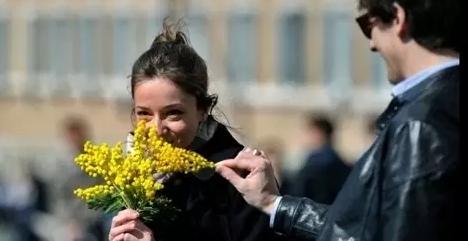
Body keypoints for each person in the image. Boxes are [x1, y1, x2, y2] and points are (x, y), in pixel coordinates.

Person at [216, 0, 461, 240]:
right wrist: (273, 203)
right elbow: (363, 230)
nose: (371, 44)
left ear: (398, 18)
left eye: (368, 24)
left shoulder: (419, 124)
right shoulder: (436, 105)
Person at [108, 20, 285, 241]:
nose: (156, 130)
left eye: (173, 113)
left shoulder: (241, 178)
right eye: (144, 114)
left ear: (202, 110)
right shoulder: (129, 175)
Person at [292, 114, 350, 204]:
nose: (305, 137)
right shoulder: (338, 161)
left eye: (309, 132)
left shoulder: (319, 163)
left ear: (318, 133)